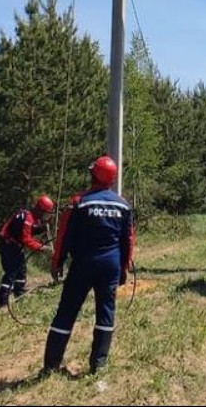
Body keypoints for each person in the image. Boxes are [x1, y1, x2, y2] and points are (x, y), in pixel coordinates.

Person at [42, 155, 134, 376]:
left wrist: (57, 261)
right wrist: (124, 268)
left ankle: (51, 365)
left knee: (66, 312)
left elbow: (64, 235)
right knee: (106, 312)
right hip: (110, 266)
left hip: (83, 265)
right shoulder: (123, 205)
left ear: (93, 175)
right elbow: (128, 240)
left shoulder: (79, 202)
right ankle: (98, 365)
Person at [0, 194, 55, 308]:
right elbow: (26, 238)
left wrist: (41, 228)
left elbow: (28, 230)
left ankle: (19, 294)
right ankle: (2, 301)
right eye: (46, 213)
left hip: (15, 246)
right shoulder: (27, 218)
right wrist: (41, 247)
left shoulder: (29, 216)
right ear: (41, 210)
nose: (46, 216)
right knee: (11, 272)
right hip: (9, 245)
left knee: (21, 271)